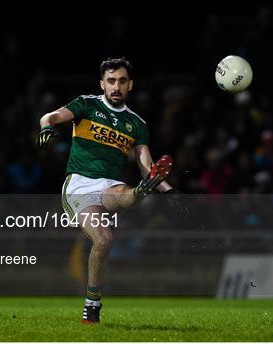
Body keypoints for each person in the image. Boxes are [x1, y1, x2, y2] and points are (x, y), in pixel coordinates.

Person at [37, 57, 180, 324]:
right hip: (79, 184)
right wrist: (46, 127)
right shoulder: (87, 105)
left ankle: (141, 191)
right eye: (111, 81)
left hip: (110, 186)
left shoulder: (137, 124)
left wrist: (169, 191)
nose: (116, 86)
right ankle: (92, 305)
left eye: (122, 81)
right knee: (103, 239)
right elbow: (51, 116)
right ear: (102, 84)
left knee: (126, 196)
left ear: (130, 85)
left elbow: (146, 164)